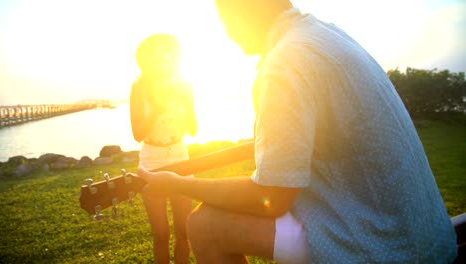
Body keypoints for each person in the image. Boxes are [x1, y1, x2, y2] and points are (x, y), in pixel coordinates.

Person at [138, 1, 458, 263]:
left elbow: (271, 197)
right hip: (430, 236)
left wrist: (179, 185)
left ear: (244, 12)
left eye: (224, 19)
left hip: (386, 247)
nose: (226, 32)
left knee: (204, 225)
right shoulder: (323, 33)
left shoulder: (284, 62)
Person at [130, 33, 198, 264]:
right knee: (161, 234)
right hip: (151, 158)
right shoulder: (139, 88)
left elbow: (194, 129)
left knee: (183, 232)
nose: (162, 59)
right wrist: (158, 109)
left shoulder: (183, 85)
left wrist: (186, 101)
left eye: (167, 55)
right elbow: (138, 134)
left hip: (180, 154)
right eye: (156, 56)